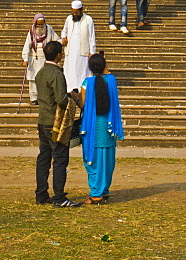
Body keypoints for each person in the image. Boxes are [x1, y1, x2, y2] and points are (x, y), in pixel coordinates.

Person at [34, 39, 81, 207]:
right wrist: (73, 98)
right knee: (60, 159)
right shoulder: (56, 73)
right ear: (59, 55)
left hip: (42, 120)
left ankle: (41, 194)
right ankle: (59, 197)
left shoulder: (41, 73)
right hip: (55, 123)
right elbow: (61, 100)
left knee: (43, 158)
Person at [80, 51, 124, 203]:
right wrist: (103, 65)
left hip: (92, 127)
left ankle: (96, 193)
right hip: (108, 126)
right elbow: (107, 73)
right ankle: (104, 190)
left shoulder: (87, 83)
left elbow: (83, 104)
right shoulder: (111, 80)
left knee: (93, 159)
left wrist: (74, 97)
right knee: (107, 159)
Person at [22, 12, 60, 102]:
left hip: (45, 58)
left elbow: (56, 39)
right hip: (34, 58)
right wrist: (25, 59)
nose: (40, 26)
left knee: (45, 79)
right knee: (33, 79)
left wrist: (62, 42)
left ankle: (44, 97)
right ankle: (34, 98)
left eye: (41, 24)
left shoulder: (49, 29)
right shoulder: (31, 31)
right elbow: (27, 45)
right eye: (38, 24)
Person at [61, 1, 97, 92]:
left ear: (81, 10)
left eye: (76, 12)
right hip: (70, 50)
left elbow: (92, 37)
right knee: (70, 71)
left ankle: (82, 91)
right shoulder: (69, 18)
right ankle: (70, 90)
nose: (75, 14)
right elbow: (64, 30)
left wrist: (92, 52)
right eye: (73, 12)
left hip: (83, 51)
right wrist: (63, 37)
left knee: (82, 72)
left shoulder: (88, 19)